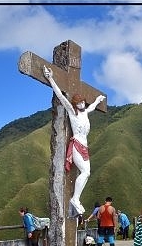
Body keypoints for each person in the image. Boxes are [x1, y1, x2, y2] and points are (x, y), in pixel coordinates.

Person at [43, 65, 105, 216]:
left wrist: (97, 100)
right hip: (77, 144)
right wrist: (50, 78)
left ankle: (77, 199)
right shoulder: (73, 113)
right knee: (84, 171)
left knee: (87, 173)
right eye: (79, 103)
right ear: (75, 105)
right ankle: (75, 199)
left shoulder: (85, 113)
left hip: (85, 146)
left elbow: (92, 107)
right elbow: (61, 97)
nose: (82, 105)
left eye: (83, 102)